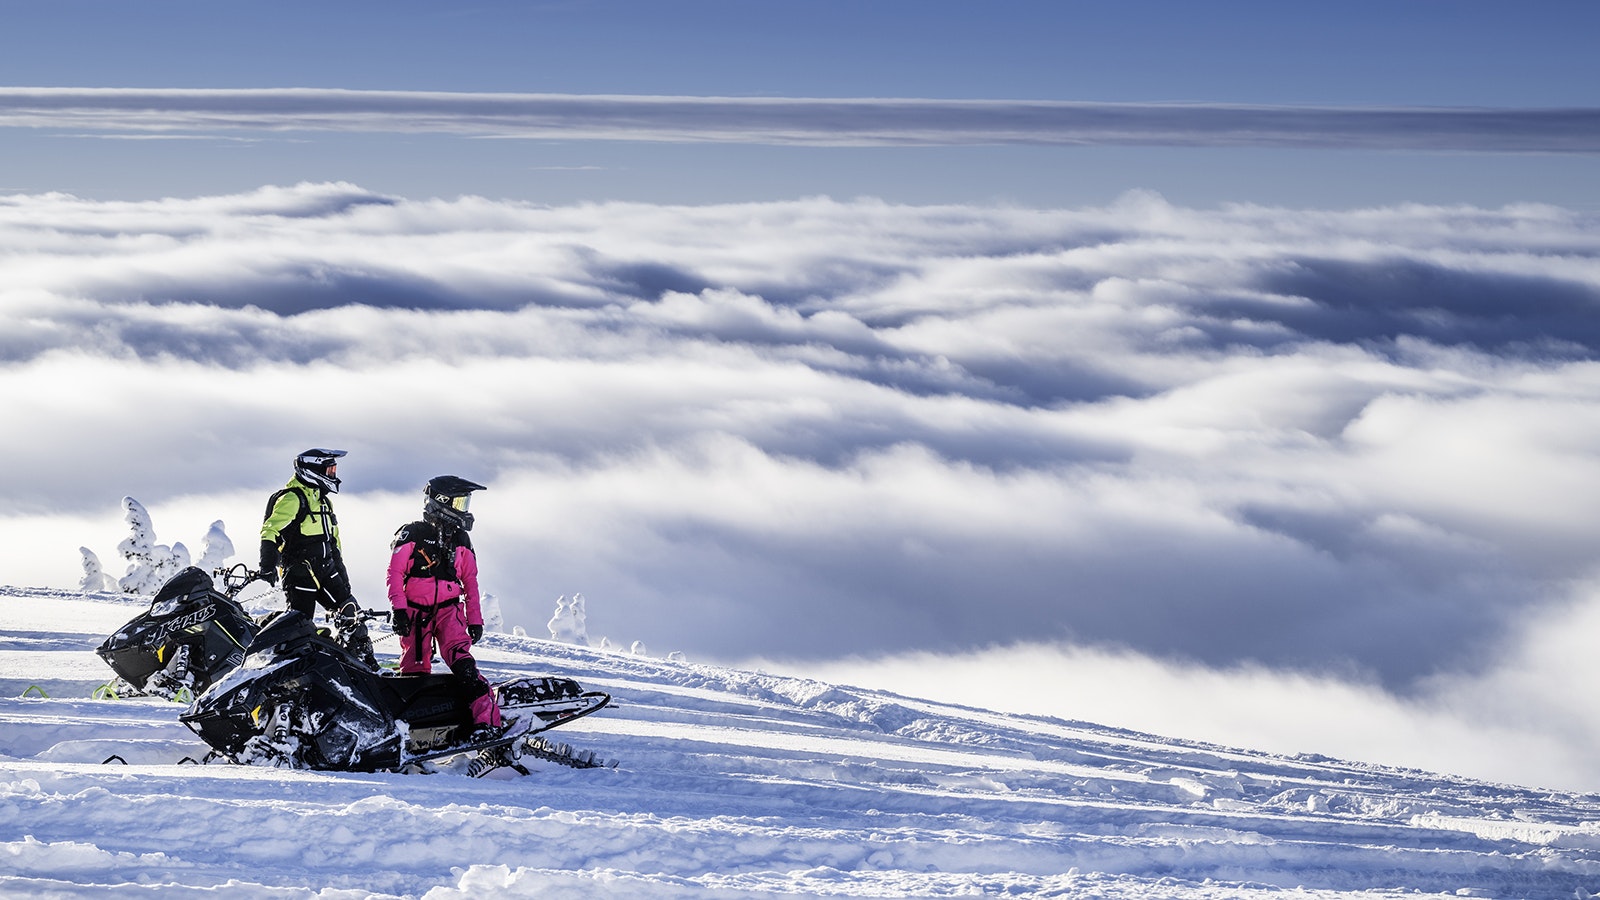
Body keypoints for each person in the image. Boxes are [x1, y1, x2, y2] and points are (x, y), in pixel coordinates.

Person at [387, 475, 502, 738]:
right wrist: (400, 609)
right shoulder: (412, 532)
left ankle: (487, 723)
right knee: (414, 672)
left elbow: (470, 580)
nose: (464, 509)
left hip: (450, 610)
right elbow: (394, 573)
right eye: (460, 502)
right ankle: (410, 732)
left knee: (464, 666)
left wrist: (475, 619)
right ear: (441, 502)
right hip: (415, 612)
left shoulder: (461, 539)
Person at [259, 448, 378, 669]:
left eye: (334, 469)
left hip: (327, 569)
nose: (333, 475)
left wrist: (342, 574)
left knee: (352, 615)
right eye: (329, 470)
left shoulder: (324, 501)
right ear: (312, 470)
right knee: (300, 625)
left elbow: (334, 542)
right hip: (300, 572)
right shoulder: (293, 498)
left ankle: (366, 665)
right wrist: (267, 563)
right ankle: (294, 667)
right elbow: (270, 530)